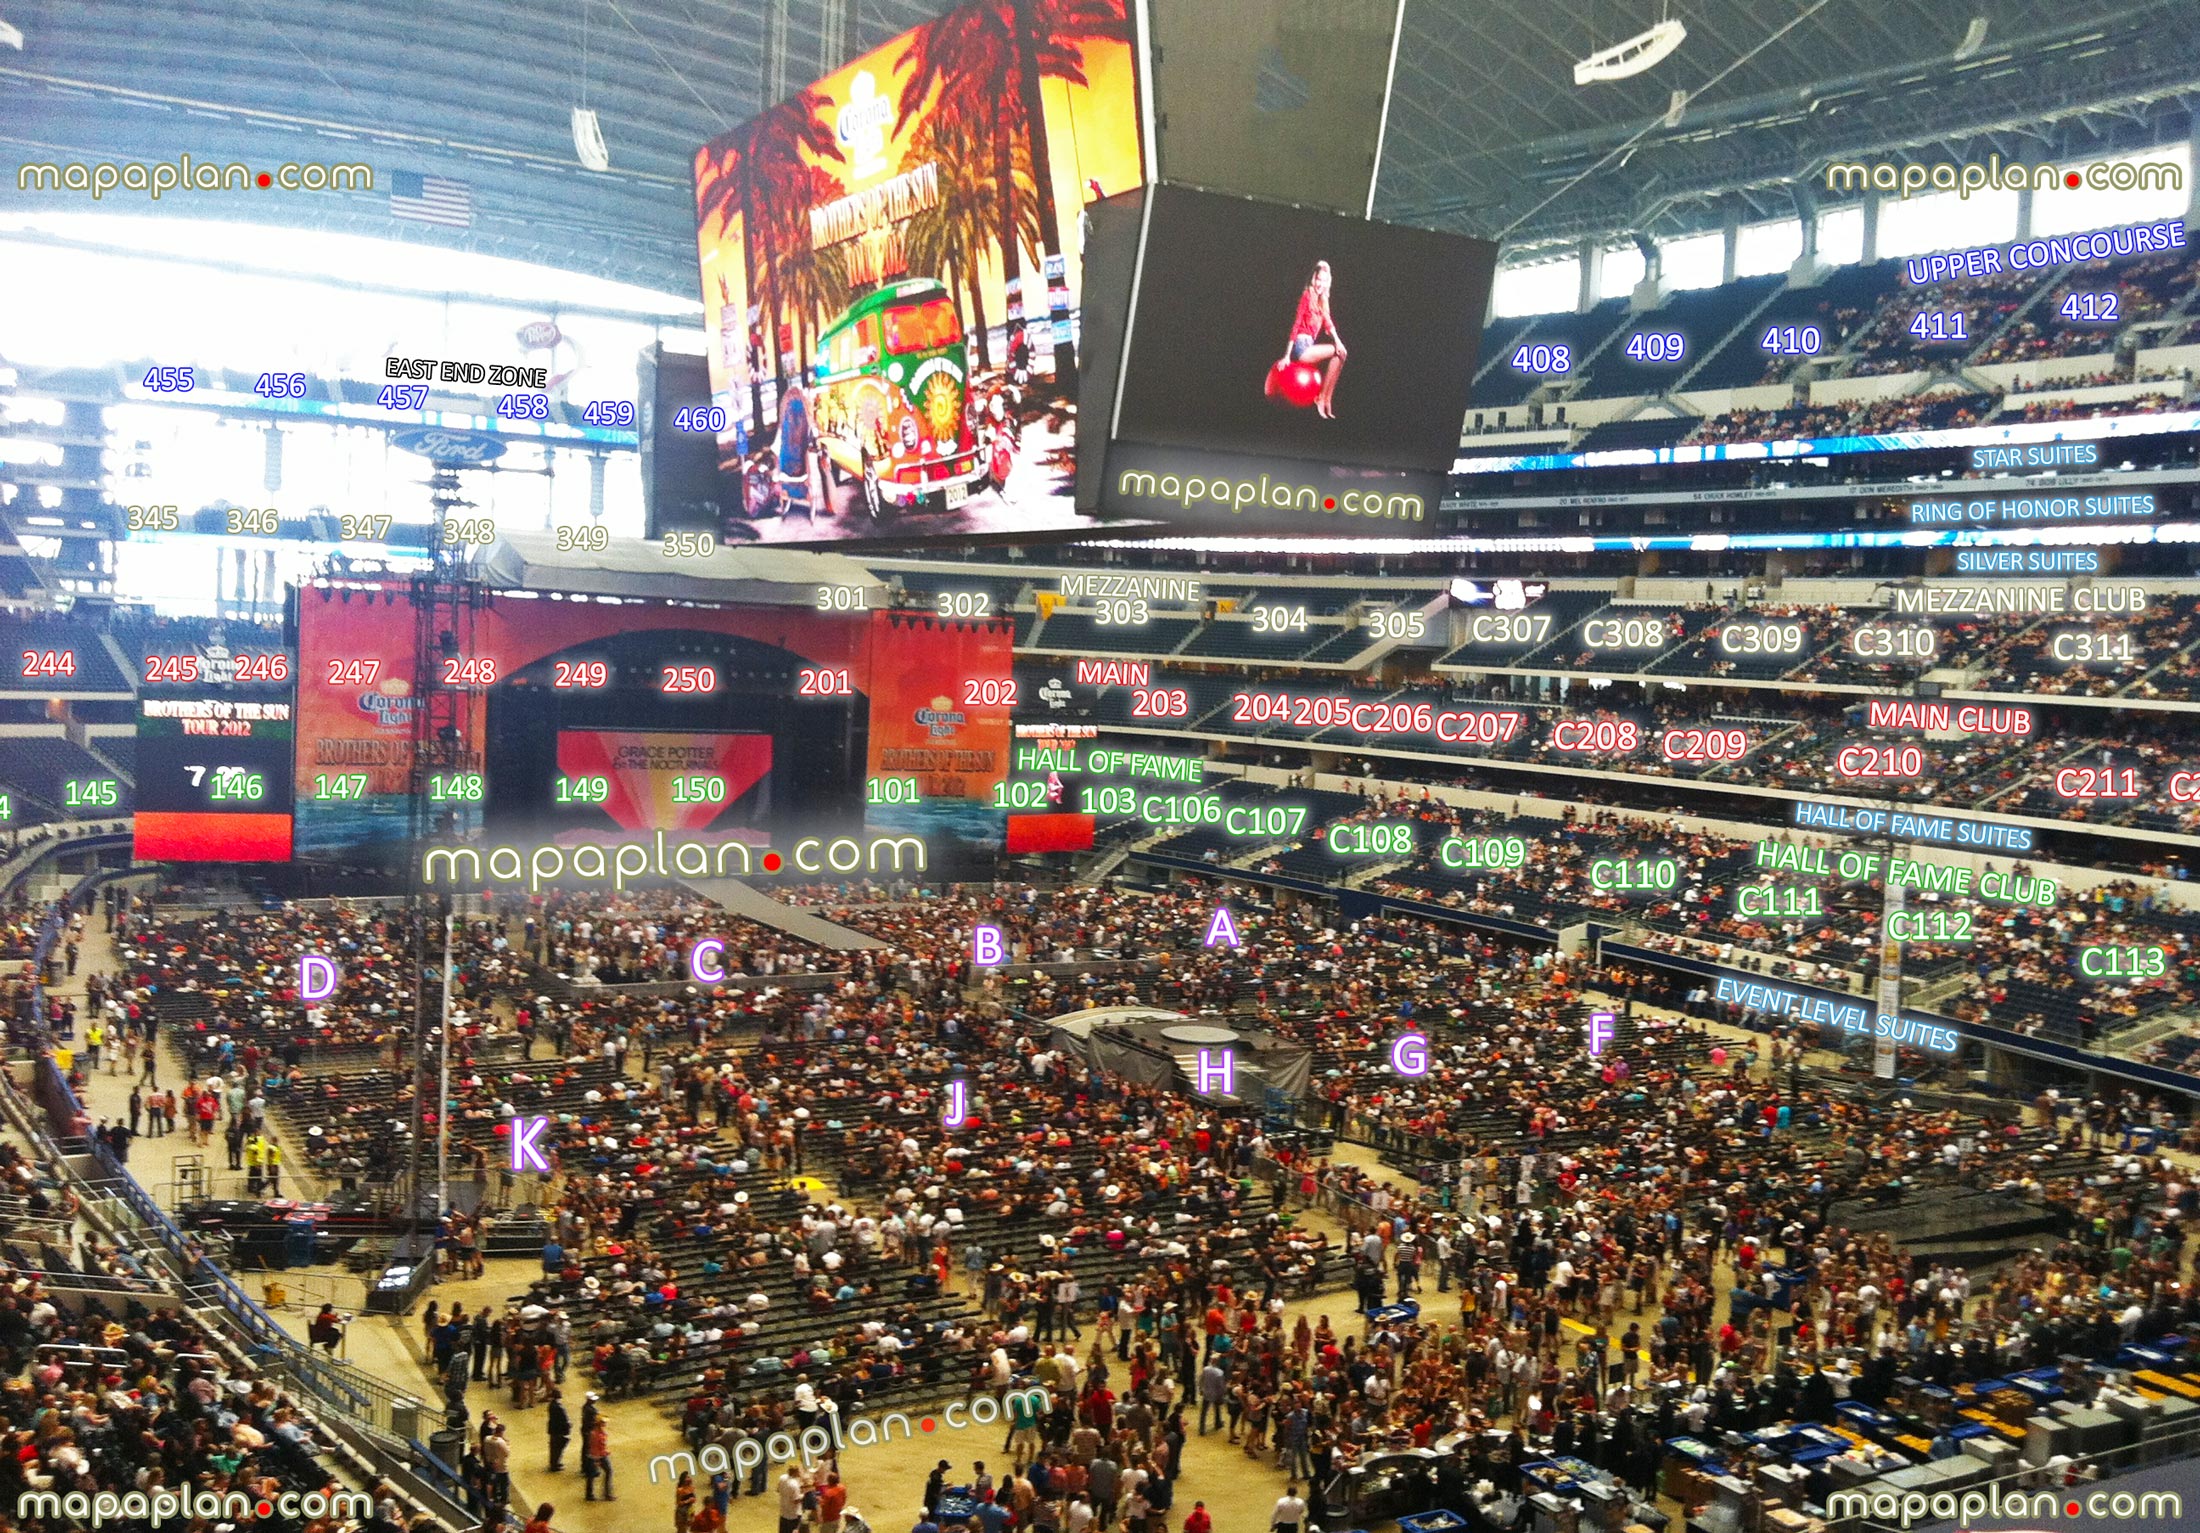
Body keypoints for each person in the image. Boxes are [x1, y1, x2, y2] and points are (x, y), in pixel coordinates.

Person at [1277, 261, 1346, 418]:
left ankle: (1326, 399)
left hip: (1308, 346)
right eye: (1317, 279)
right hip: (1301, 348)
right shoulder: (1307, 296)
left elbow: (1329, 324)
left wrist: (1338, 341)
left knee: (1342, 352)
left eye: (1323, 280)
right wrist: (1287, 356)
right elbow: (1296, 324)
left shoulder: (1322, 301)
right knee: (1339, 352)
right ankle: (1322, 398)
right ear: (1313, 279)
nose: (1319, 284)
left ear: (1327, 282)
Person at [585, 1415, 612, 1500]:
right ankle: (606, 1493)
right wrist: (598, 1459)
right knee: (608, 1471)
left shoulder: (594, 1433)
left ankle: (589, 1494)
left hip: (595, 1456)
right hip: (599, 1456)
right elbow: (598, 1448)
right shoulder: (598, 1435)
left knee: (591, 1475)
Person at [547, 1391, 571, 1471]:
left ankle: (554, 1463)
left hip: (553, 1430)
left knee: (553, 1448)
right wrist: (568, 1427)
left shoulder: (551, 1405)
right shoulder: (559, 1408)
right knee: (558, 1449)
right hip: (559, 1431)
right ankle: (555, 1464)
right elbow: (565, 1420)